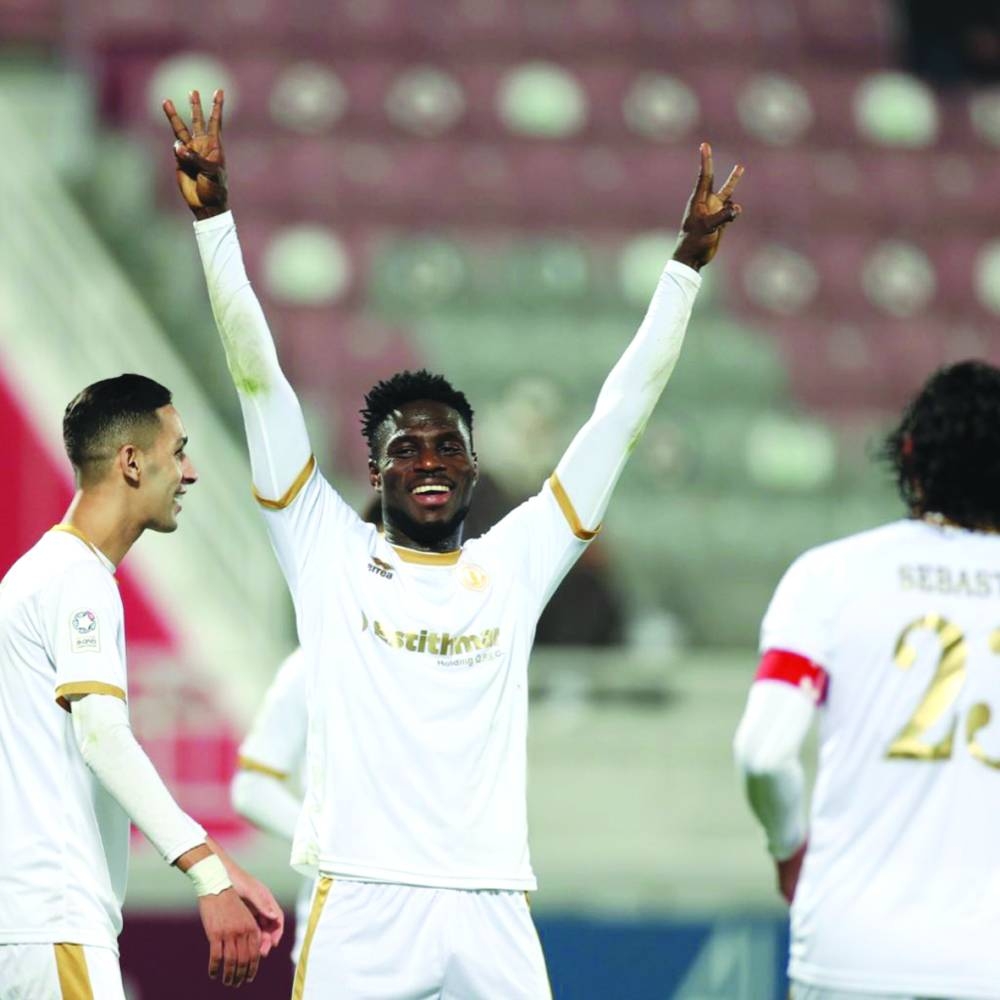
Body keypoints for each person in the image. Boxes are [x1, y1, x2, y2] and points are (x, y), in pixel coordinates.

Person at [164, 88, 742, 999]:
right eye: (406, 449)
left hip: (491, 901)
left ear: (475, 468)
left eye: (447, 447)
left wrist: (685, 269)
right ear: (374, 469)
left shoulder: (514, 564)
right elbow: (259, 379)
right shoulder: (322, 547)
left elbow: (619, 419)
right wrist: (215, 226)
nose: (428, 461)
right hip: (360, 899)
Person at [0, 374, 284, 996]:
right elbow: (102, 737)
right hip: (54, 922)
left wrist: (220, 861)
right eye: (178, 451)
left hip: (33, 924)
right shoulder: (77, 580)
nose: (191, 473)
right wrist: (206, 874)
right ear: (131, 462)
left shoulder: (39, 575)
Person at [733, 361, 1000, 1000]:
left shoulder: (830, 576)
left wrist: (788, 848)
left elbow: (763, 752)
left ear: (908, 457)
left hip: (852, 951)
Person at [231, 647, 315, 972]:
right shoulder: (313, 659)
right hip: (345, 914)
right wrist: (331, 847)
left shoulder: (456, 657)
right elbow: (251, 788)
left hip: (452, 900)